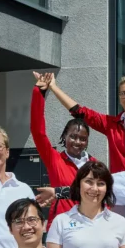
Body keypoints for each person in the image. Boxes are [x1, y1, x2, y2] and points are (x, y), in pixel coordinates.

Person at [36, 72, 125, 173]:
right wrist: (53, 87)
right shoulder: (111, 124)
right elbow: (79, 111)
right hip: (119, 188)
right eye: (123, 93)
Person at [30, 72, 101, 227]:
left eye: (83, 138)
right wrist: (39, 93)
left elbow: (103, 197)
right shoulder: (55, 159)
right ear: (65, 137)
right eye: (73, 137)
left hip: (91, 226)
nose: (77, 142)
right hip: (61, 228)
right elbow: (37, 131)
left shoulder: (95, 165)